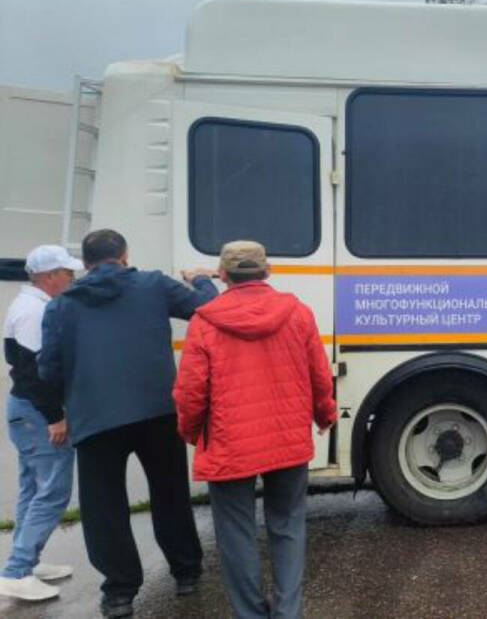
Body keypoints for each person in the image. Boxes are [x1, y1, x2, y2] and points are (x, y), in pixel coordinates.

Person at [37, 229, 217, 618]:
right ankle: (186, 573)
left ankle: (120, 592)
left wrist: (72, 397)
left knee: (104, 507)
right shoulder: (153, 285)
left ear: (84, 264)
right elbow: (207, 308)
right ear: (124, 255)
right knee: (170, 493)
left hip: (95, 420)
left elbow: (48, 369)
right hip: (157, 412)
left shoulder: (61, 306)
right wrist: (201, 279)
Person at [173, 241, 335, 619]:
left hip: (229, 443)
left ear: (223, 275)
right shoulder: (298, 313)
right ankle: (288, 612)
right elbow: (319, 374)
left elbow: (190, 391)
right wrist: (324, 415)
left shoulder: (205, 321)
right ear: (268, 271)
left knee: (236, 534)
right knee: (288, 526)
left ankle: (250, 614)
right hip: (287, 439)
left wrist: (192, 432)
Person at [0, 245, 83, 602]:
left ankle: (25, 562)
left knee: (33, 490)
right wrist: (55, 417)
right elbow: (35, 373)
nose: (73, 278)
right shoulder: (35, 311)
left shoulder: (28, 304)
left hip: (25, 410)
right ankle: (17, 570)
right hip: (37, 413)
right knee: (52, 492)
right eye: (67, 273)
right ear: (50, 276)